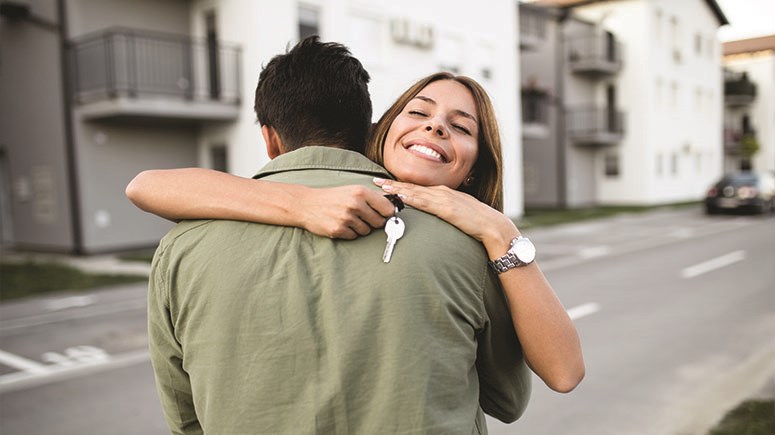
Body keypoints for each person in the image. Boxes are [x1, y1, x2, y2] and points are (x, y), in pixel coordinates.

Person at [141, 36, 570, 435]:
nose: (435, 128)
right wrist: (302, 204)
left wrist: (500, 229)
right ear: (373, 130)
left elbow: (187, 418)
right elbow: (508, 400)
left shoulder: (183, 245)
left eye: (461, 127)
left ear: (270, 140)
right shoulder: (465, 250)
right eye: (418, 113)